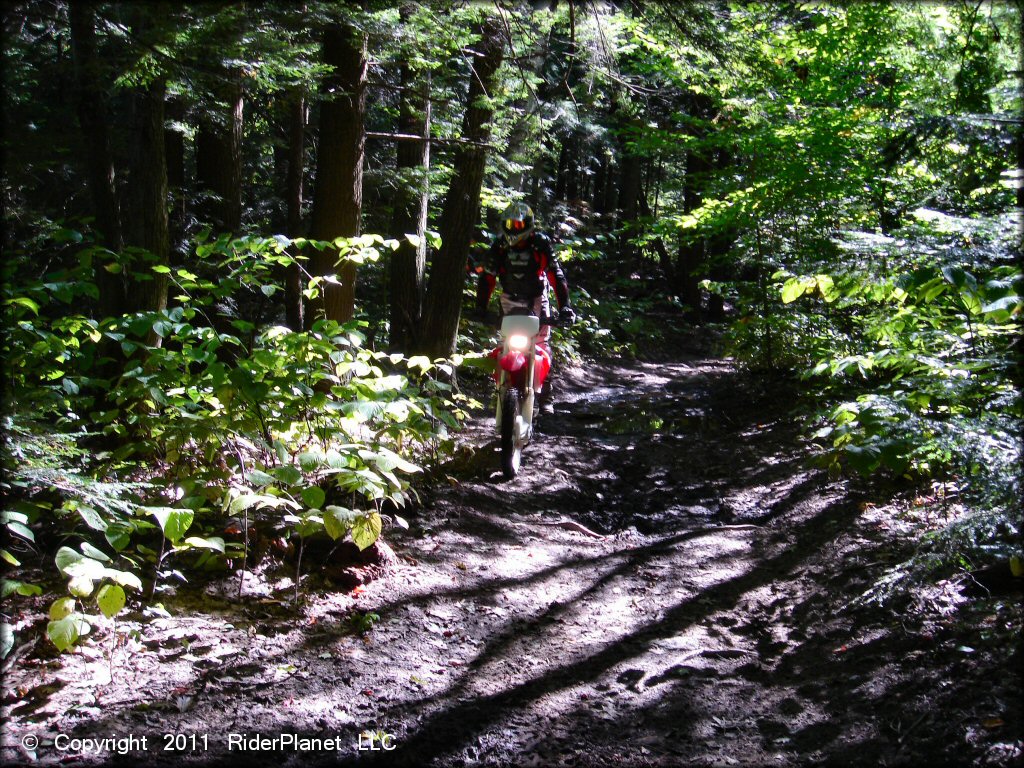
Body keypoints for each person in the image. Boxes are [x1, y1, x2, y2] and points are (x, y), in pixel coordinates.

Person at [475, 202, 576, 413]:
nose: (515, 229)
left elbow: (556, 275)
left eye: (519, 224)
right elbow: (488, 277)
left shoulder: (540, 244)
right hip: (509, 299)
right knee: (506, 344)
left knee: (540, 344)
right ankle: (503, 388)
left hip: (537, 299)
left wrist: (565, 307)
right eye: (511, 224)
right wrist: (480, 308)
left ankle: (546, 392)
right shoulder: (500, 245)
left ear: (528, 225)